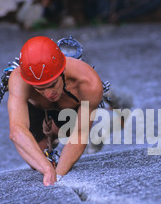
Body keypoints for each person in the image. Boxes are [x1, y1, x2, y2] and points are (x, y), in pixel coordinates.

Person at [8, 36, 103, 186]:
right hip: (37, 107)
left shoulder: (88, 82)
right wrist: (46, 169)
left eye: (53, 84)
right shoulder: (18, 79)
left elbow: (79, 135)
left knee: (66, 137)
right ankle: (50, 135)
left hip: (69, 106)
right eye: (40, 88)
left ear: (62, 71)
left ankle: (56, 131)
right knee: (35, 162)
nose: (48, 93)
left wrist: (57, 176)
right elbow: (16, 130)